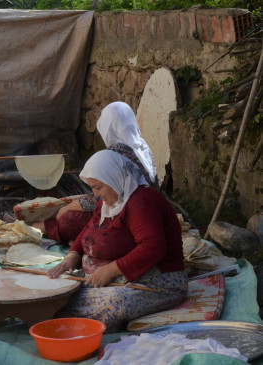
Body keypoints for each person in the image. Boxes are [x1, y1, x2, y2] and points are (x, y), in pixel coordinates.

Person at [47, 150, 187, 333]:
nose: (95, 194)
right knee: (55, 285)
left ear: (115, 179)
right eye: (93, 188)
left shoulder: (142, 203)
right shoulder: (109, 202)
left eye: (98, 187)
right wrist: (72, 257)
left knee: (113, 302)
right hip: (122, 276)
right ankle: (54, 310)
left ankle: (56, 317)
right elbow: (88, 231)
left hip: (158, 283)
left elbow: (152, 247)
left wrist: (111, 270)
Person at [34, 101, 158, 243]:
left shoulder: (116, 155)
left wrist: (66, 208)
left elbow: (100, 199)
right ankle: (39, 227)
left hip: (130, 214)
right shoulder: (142, 146)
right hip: (149, 210)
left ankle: (38, 228)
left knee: (68, 220)